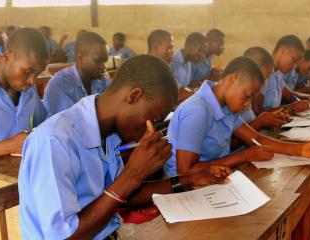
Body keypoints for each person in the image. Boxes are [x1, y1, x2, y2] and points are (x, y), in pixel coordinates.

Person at [18, 54, 230, 239]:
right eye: (153, 119)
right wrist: (133, 173)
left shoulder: (109, 133)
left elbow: (126, 197)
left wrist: (188, 180)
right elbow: (63, 237)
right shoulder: (55, 141)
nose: (151, 130)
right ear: (134, 96)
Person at [163, 57, 310, 177]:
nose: (248, 104)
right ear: (232, 80)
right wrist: (244, 156)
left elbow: (256, 138)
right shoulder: (197, 111)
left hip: (215, 175)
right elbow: (185, 171)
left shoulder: (226, 106)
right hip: (185, 188)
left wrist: (300, 149)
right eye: (247, 96)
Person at [0, 28, 48, 145]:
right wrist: (10, 146)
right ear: (8, 56)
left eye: (38, 74)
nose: (32, 81)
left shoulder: (29, 90)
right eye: (28, 71)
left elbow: (41, 125)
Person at [252, 35, 310, 116]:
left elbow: (290, 95)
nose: (294, 66)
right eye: (294, 60)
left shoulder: (278, 73)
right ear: (282, 51)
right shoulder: (264, 72)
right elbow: (256, 111)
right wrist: (290, 108)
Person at [43, 32, 112, 117]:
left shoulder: (102, 81)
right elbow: (69, 123)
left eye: (105, 61)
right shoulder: (59, 84)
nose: (103, 66)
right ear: (80, 58)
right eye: (98, 61)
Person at [170, 32, 208, 103]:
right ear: (190, 45)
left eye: (204, 53)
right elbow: (176, 92)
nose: (203, 56)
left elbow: (186, 86)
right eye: (201, 51)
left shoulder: (189, 62)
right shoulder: (171, 62)